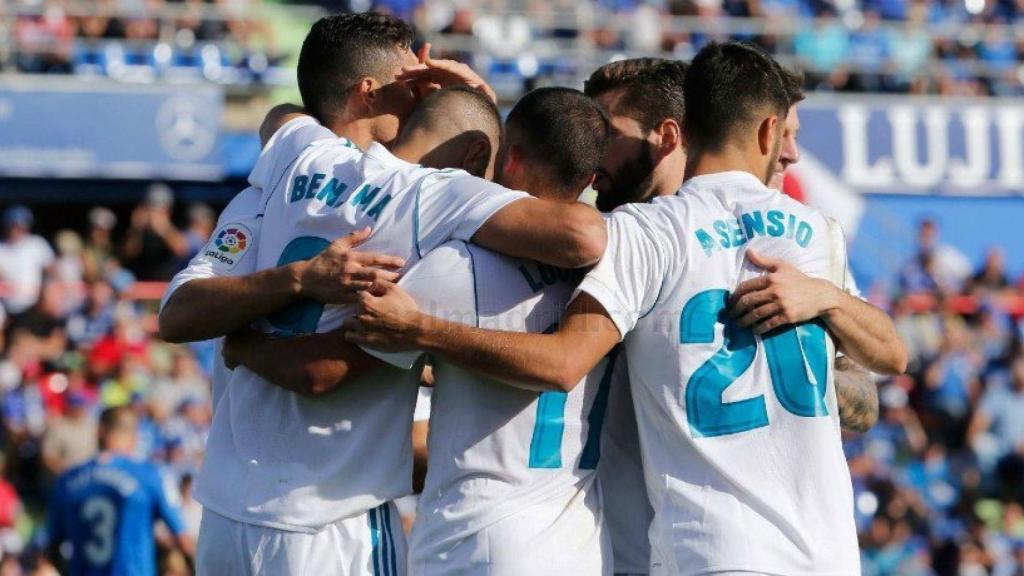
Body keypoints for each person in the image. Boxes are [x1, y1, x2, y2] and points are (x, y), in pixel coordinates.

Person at [346, 42, 908, 574]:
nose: (591, 151)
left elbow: (868, 388)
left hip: (682, 547)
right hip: (628, 548)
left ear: (668, 136)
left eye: (607, 133)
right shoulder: (807, 236)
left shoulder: (636, 240)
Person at [161, 13, 605, 575]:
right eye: (408, 77)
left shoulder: (294, 154)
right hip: (330, 519)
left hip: (225, 511)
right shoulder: (428, 196)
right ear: (369, 92)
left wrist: (251, 331)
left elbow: (281, 117)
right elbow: (580, 235)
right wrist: (478, 110)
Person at [46, 406, 190, 576]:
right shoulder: (151, 475)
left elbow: (52, 547)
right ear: (135, 437)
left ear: (99, 431)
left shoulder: (67, 480)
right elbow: (183, 538)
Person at [122, 184, 189, 281]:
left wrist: (163, 228)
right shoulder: (139, 229)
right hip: (141, 284)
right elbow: (128, 254)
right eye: (150, 207)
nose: (153, 213)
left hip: (166, 284)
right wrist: (136, 229)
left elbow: (182, 250)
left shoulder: (174, 226)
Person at [0, 205, 55, 316]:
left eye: (20, 226)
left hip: (34, 304)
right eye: (12, 226)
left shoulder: (37, 243)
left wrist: (46, 292)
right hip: (5, 306)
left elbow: (51, 271)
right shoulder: (1, 247)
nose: (15, 231)